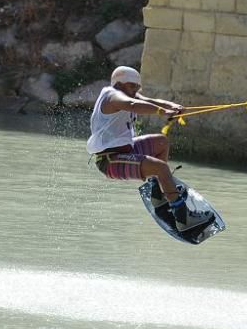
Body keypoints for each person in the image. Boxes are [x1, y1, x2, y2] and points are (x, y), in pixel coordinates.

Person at [87, 65, 214, 232]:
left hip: (126, 151)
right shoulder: (112, 96)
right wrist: (162, 112)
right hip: (110, 161)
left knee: (161, 142)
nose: (135, 91)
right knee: (160, 168)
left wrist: (173, 106)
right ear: (119, 84)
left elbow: (149, 101)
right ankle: (183, 217)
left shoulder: (127, 93)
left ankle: (158, 194)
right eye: (132, 86)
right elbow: (132, 104)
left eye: (137, 88)